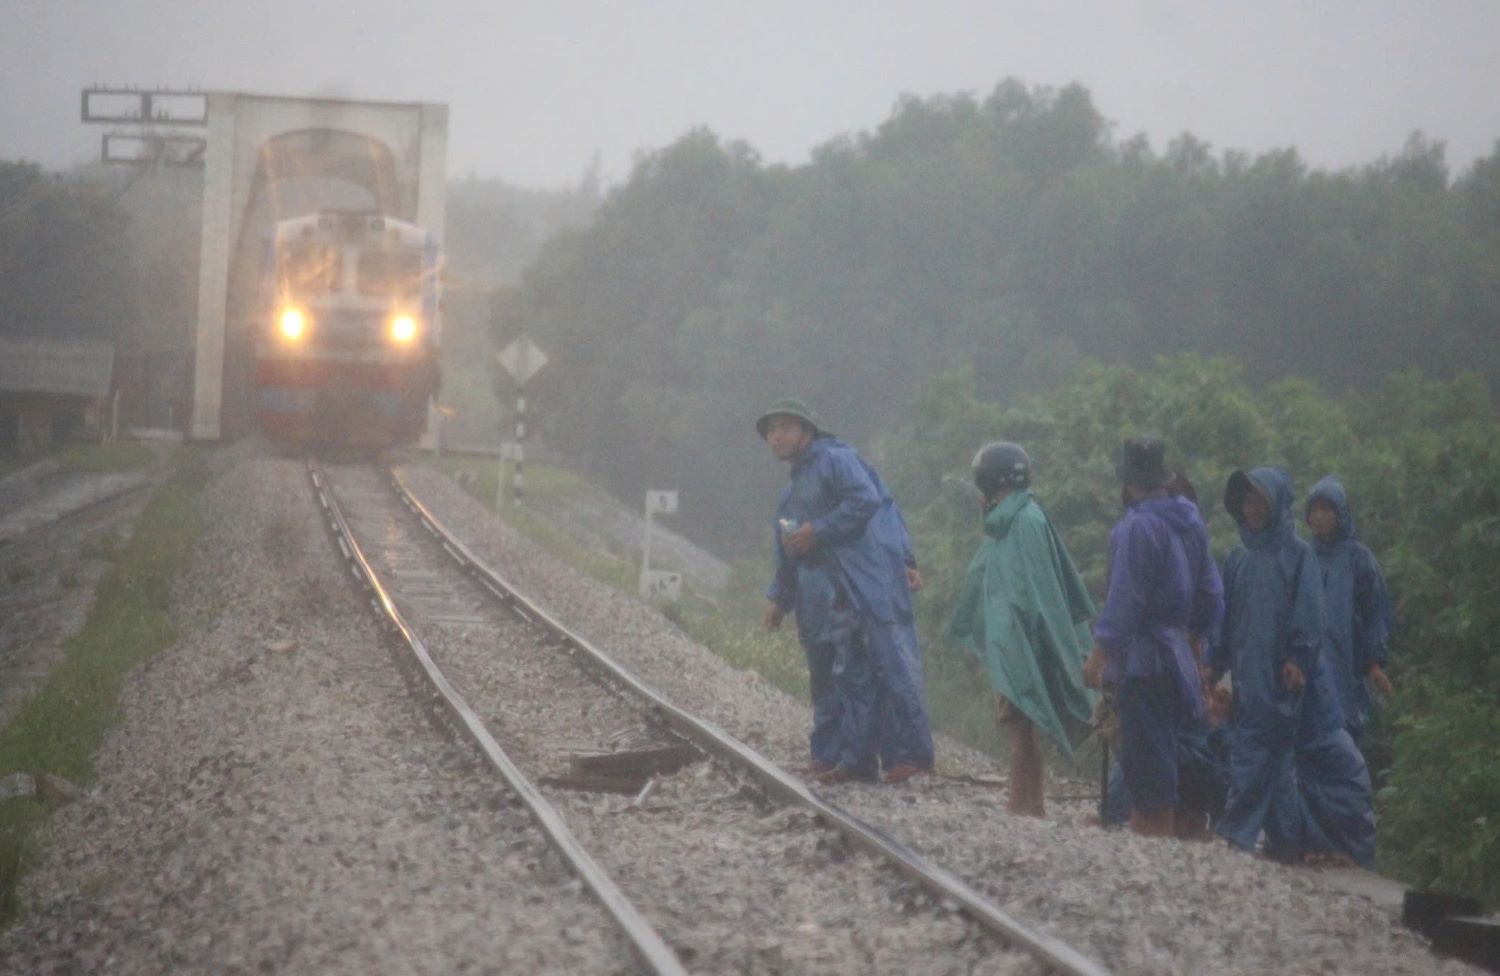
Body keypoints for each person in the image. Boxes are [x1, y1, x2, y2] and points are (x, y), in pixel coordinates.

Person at [759, 398, 934, 784]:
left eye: (785, 427)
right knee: (845, 673)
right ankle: (852, 759)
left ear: (807, 430)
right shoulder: (793, 490)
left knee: (891, 666)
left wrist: (905, 558)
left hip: (870, 581)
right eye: (771, 430)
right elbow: (787, 547)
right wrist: (780, 597)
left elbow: (873, 503)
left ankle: (911, 756)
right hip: (833, 592)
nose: (776, 436)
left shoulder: (838, 460)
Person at [1210, 468, 1375, 865]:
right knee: (1265, 754)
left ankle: (1249, 836)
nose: (1251, 510)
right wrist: (1215, 668)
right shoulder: (1238, 557)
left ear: (1277, 505)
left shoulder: (1298, 554)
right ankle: (1275, 839)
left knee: (1289, 754)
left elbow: (1309, 612)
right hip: (1249, 679)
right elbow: (1226, 618)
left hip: (1288, 680)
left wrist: (1298, 659)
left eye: (1259, 502)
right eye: (1246, 502)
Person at [1084, 438, 1224, 838]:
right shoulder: (1191, 522)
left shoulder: (1136, 527)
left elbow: (1125, 599)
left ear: (1128, 484)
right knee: (1172, 747)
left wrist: (1099, 653)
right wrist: (1196, 641)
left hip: (1143, 659)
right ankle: (1172, 835)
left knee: (1146, 761)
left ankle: (1152, 842)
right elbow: (1212, 594)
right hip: (1179, 657)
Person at [948, 441, 1095, 817]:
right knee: (1020, 722)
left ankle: (1022, 803)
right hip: (1014, 639)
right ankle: (1031, 803)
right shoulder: (1015, 517)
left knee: (1018, 722)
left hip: (1019, 642)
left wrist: (1019, 641)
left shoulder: (1023, 521)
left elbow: (1030, 591)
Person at [1304, 476, 1394, 747]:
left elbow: (1374, 612)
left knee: (1344, 732)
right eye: (1314, 510)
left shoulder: (1358, 558)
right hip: (1308, 660)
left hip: (1347, 663)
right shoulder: (1302, 556)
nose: (1319, 517)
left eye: (1326, 509)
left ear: (1340, 513)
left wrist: (1374, 662)